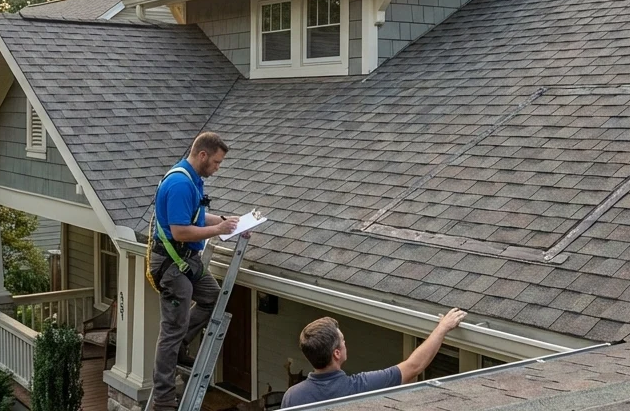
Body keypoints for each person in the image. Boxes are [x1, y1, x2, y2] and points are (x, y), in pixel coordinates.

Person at [148, 132, 241, 411]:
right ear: (202, 155)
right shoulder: (179, 183)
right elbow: (180, 231)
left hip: (188, 261)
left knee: (214, 296)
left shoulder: (193, 180)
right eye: (216, 162)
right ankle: (164, 399)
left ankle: (180, 346)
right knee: (171, 331)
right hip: (172, 265)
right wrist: (218, 230)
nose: (217, 167)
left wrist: (227, 221)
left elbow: (196, 217)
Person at [281, 308, 468, 408]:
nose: (346, 343)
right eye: (343, 341)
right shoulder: (359, 388)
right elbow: (413, 367)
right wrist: (443, 328)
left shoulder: (293, 397)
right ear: (336, 353)